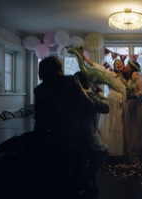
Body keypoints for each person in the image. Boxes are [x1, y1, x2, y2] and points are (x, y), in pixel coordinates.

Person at [33, 56, 98, 197]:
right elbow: (88, 106)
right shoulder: (70, 82)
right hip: (73, 135)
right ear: (59, 69)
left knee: (55, 175)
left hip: (48, 139)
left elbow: (39, 118)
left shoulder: (40, 90)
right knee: (79, 172)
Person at [82, 55, 129, 156]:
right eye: (116, 64)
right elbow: (100, 69)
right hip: (113, 99)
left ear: (124, 65)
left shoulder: (126, 77)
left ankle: (120, 151)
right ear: (114, 67)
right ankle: (111, 151)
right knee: (112, 123)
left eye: (120, 63)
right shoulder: (111, 74)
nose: (118, 64)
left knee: (121, 125)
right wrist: (86, 59)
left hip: (123, 101)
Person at [74, 71, 110, 198]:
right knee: (103, 152)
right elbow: (106, 107)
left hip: (73, 136)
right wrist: (100, 93)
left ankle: (84, 180)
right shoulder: (90, 95)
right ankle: (88, 178)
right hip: (89, 135)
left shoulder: (71, 96)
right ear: (88, 83)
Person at [123, 61, 142, 163]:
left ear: (131, 68)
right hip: (131, 107)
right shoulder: (129, 77)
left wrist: (135, 95)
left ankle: (137, 155)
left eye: (127, 65)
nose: (125, 67)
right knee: (133, 130)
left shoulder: (135, 75)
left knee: (136, 131)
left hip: (137, 107)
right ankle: (133, 154)